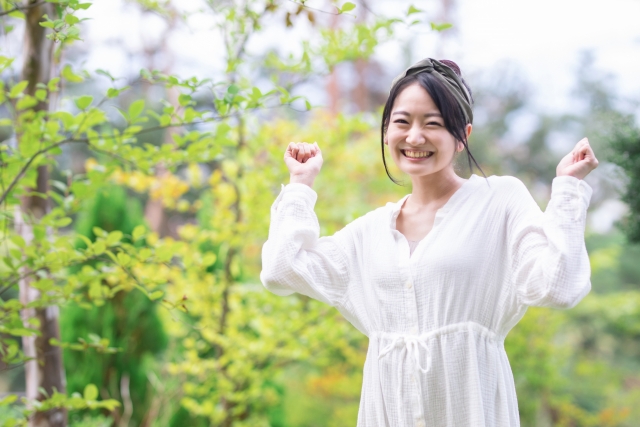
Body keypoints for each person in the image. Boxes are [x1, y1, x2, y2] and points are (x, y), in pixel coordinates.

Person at [260, 58, 599, 427]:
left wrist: (568, 189)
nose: (415, 137)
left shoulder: (499, 200)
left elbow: (560, 286)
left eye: (433, 123)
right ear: (386, 131)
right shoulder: (369, 232)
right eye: (402, 122)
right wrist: (300, 187)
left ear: (462, 135)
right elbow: (280, 270)